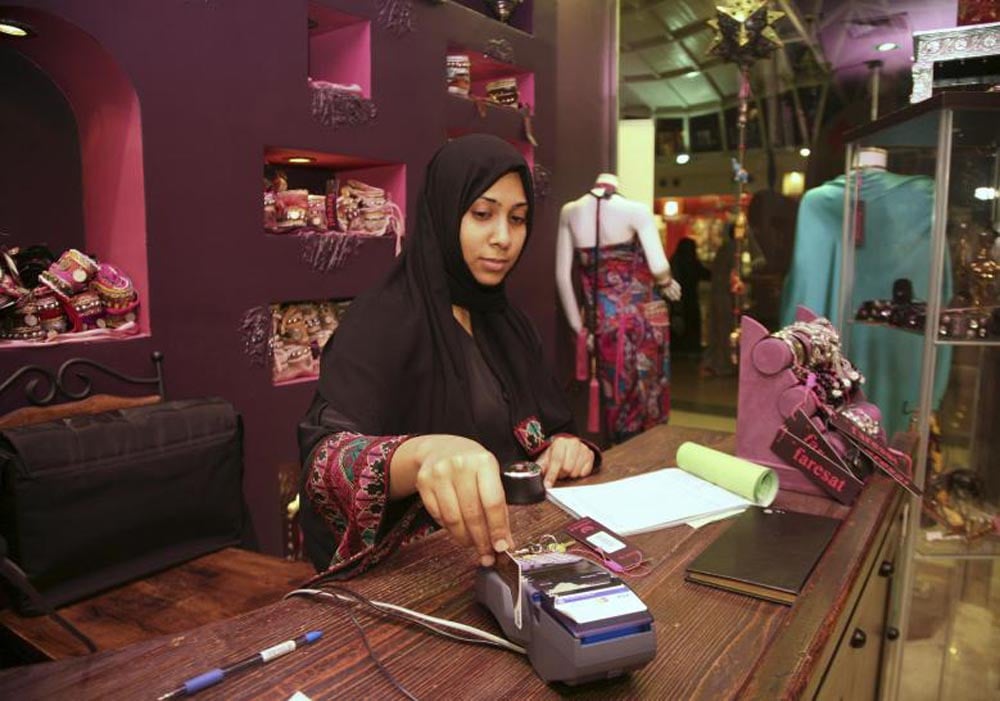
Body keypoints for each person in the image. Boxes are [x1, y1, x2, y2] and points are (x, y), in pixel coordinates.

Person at [298, 134, 599, 576]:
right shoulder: (382, 318)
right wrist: (421, 455)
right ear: (444, 211)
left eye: (517, 220)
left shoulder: (508, 323)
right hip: (416, 577)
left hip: (513, 555)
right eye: (482, 214)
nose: (503, 238)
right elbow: (325, 461)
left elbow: (550, 428)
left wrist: (569, 448)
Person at [555, 173, 681, 444]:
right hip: (641, 319)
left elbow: (562, 278)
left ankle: (622, 451)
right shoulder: (636, 211)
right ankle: (647, 455)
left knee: (614, 395)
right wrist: (668, 281)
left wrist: (580, 329)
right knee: (648, 392)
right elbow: (659, 267)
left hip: (600, 321)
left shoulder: (570, 212)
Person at [667, 237, 710, 356]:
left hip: (680, 301)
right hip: (685, 302)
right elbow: (705, 274)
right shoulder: (689, 262)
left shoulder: (677, 261)